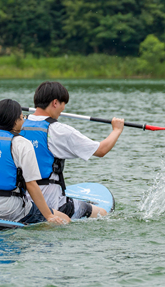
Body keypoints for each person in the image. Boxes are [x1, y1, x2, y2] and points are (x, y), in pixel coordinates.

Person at [19, 81, 124, 219]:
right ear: (55, 103)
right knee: (103, 213)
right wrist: (117, 129)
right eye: (63, 104)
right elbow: (101, 150)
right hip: (51, 203)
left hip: (19, 201)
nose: (62, 110)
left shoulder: (16, 124)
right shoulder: (59, 131)